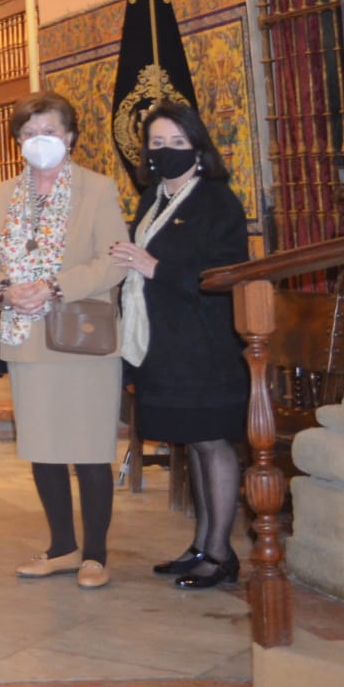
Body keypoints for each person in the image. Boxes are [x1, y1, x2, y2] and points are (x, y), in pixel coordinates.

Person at [0, 91, 129, 590]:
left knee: (88, 445)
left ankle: (96, 554)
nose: (40, 141)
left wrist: (55, 287)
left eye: (50, 132)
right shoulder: (0, 195)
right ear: (18, 141)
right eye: (30, 133)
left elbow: (113, 260)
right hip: (26, 336)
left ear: (70, 136)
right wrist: (3, 289)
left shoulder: (97, 190)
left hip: (82, 334)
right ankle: (62, 546)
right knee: (43, 444)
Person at [111, 101, 250, 589]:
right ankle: (200, 543)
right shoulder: (153, 196)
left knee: (213, 442)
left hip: (205, 345)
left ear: (197, 147)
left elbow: (227, 275)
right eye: (156, 144)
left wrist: (154, 268)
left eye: (176, 143)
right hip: (163, 342)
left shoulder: (217, 200)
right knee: (192, 441)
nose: (165, 152)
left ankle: (221, 552)